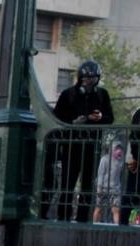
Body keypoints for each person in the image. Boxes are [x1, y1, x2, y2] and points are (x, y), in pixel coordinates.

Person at [47, 60, 115, 222]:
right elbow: (57, 119)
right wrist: (75, 122)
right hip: (72, 146)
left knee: (87, 186)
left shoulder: (102, 95)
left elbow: (110, 118)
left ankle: (83, 218)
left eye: (93, 79)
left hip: (92, 147)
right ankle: (63, 217)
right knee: (67, 185)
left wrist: (100, 118)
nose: (90, 82)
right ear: (80, 78)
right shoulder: (68, 94)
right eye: (86, 79)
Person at [94, 141, 125, 225]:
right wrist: (99, 188)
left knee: (116, 210)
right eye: (116, 148)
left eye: (120, 148)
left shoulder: (121, 161)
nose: (119, 150)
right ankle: (95, 224)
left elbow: (120, 175)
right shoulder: (104, 159)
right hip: (103, 187)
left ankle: (116, 227)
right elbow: (100, 174)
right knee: (99, 208)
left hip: (115, 188)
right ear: (112, 149)